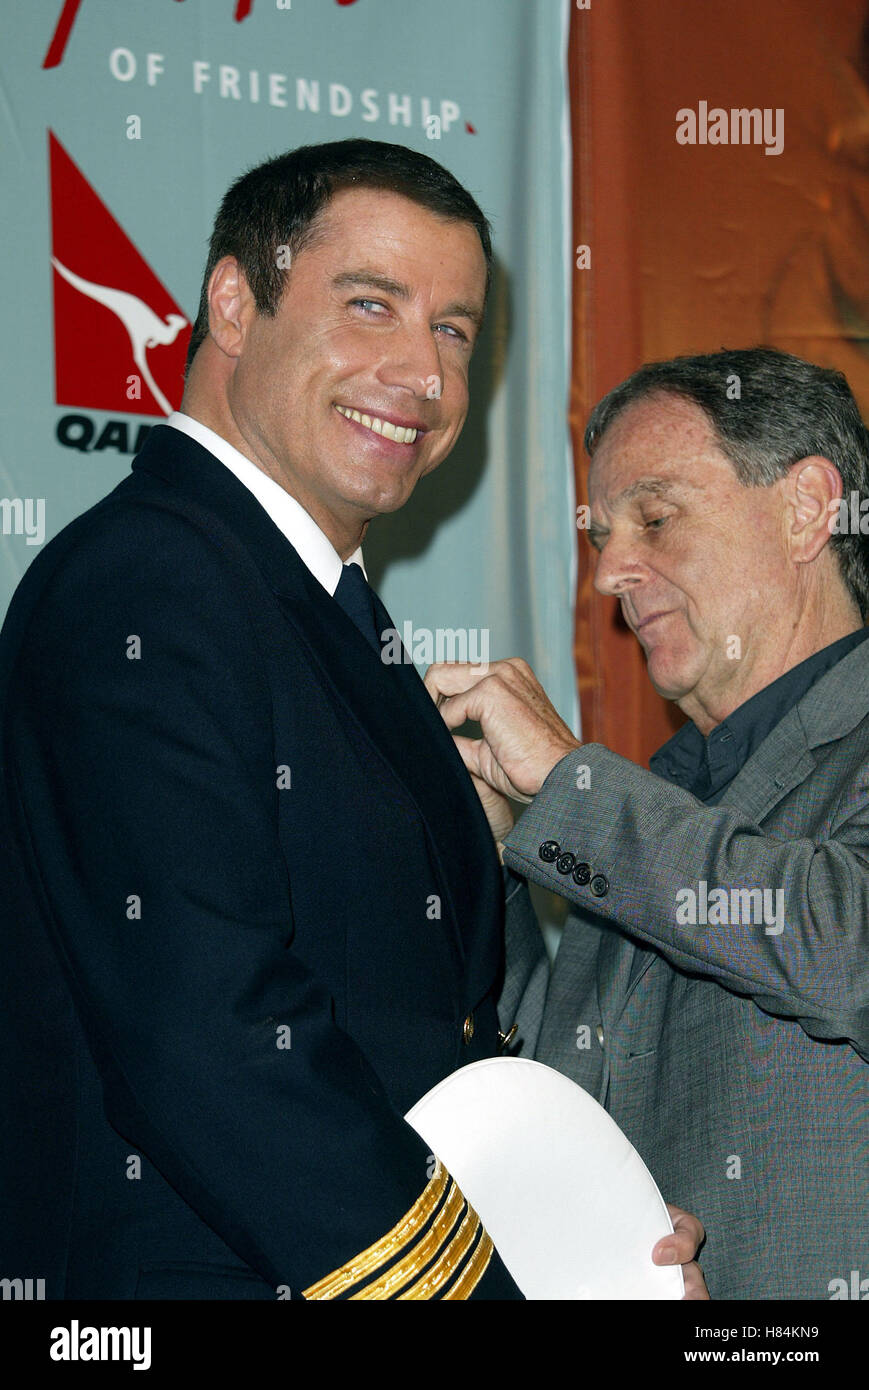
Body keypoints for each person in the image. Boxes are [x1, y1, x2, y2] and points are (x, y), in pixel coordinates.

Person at [0, 140, 703, 1300]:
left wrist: (581, 1234)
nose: (421, 374)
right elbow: (211, 1037)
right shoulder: (151, 582)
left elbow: (433, 1053)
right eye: (369, 304)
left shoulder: (307, 608)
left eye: (454, 331)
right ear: (234, 301)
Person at [427, 347, 869, 1300]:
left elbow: (847, 948)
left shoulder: (610, 811)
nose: (610, 575)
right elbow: (552, 1084)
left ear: (805, 508)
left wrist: (569, 786)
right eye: (598, 537)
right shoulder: (643, 805)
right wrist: (493, 855)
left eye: (655, 519)